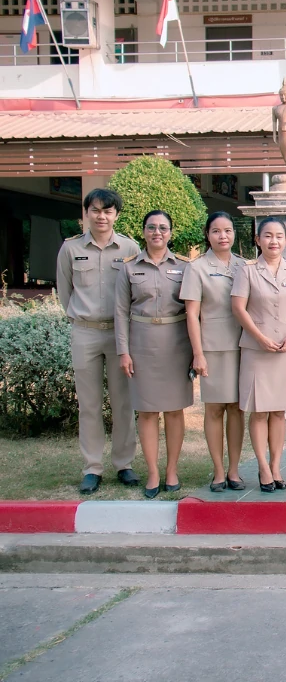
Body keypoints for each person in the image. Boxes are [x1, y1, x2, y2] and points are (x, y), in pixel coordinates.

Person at [56, 188, 140, 494]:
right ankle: (92, 467)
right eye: (95, 210)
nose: (101, 216)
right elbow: (65, 291)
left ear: (116, 215)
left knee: (123, 402)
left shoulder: (129, 248)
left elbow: (135, 291)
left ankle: (124, 464)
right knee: (89, 404)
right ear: (86, 213)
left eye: (107, 211)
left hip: (120, 334)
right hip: (86, 332)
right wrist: (81, 318)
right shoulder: (70, 249)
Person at [114, 210, 193, 499]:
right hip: (142, 343)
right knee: (147, 411)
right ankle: (152, 472)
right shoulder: (129, 268)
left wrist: (196, 352)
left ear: (171, 232)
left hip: (176, 343)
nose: (157, 232)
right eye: (151, 227)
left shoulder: (185, 267)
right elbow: (121, 313)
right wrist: (124, 351)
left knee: (174, 410)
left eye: (163, 228)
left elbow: (193, 312)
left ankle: (172, 470)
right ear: (143, 232)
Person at [232, 217, 286, 493]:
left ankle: (277, 466)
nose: (273, 241)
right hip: (257, 349)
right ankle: (263, 467)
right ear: (258, 240)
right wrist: (260, 338)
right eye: (267, 235)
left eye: (279, 236)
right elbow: (239, 308)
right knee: (259, 411)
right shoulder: (248, 271)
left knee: (279, 411)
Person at [180, 212, 248, 492]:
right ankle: (218, 472)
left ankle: (234, 470)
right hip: (213, 348)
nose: (223, 236)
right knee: (214, 409)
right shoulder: (196, 268)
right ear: (207, 235)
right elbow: (191, 314)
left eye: (228, 231)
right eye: (216, 231)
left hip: (243, 347)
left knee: (237, 409)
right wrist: (198, 353)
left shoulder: (244, 266)